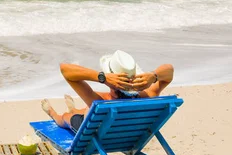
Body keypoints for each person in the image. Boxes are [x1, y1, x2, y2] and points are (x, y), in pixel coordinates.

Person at [41, 50, 174, 133]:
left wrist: (102, 78)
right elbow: (169, 71)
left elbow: (65, 69)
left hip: (96, 132)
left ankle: (53, 113)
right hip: (128, 134)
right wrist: (153, 76)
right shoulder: (148, 95)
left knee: (65, 118)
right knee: (88, 110)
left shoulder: (100, 101)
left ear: (112, 80)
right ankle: (75, 109)